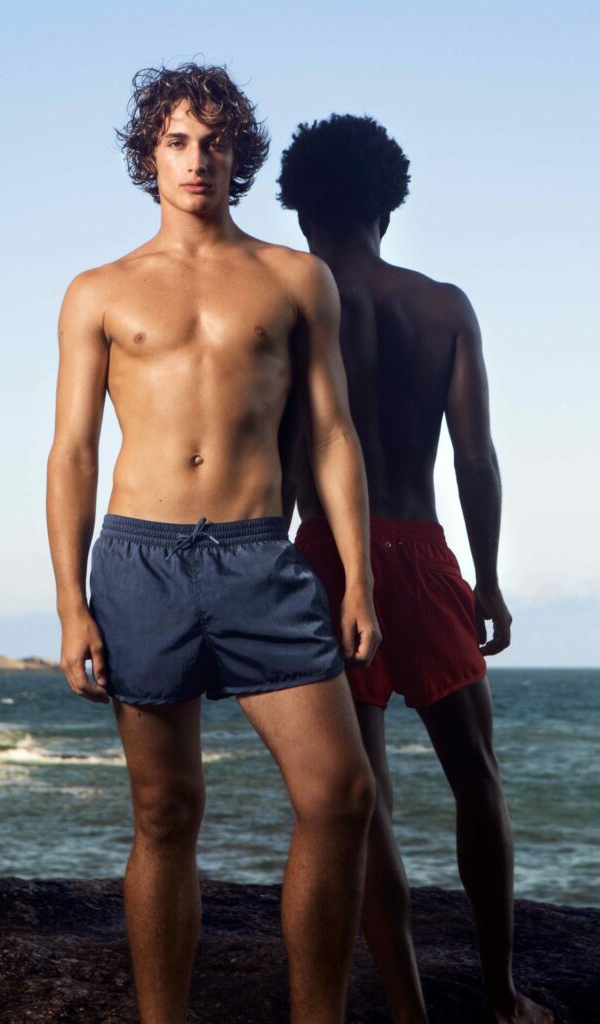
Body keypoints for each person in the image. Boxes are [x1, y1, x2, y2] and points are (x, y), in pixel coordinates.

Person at [46, 66, 381, 1024]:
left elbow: (330, 434)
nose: (198, 160)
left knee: (340, 794)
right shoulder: (97, 291)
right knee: (164, 814)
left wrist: (357, 577)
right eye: (179, 142)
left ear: (240, 156)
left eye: (216, 142)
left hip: (256, 558)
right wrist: (71, 602)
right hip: (140, 559)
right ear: (148, 156)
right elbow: (72, 452)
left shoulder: (293, 277)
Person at [278, 114, 553, 1024]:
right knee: (476, 776)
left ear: (300, 204)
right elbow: (475, 459)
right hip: (425, 549)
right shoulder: (442, 305)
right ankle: (502, 994)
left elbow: (284, 455)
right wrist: (489, 577)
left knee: (364, 797)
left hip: (326, 554)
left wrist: (268, 566)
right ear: (387, 203)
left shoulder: (296, 301)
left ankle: (406, 1007)